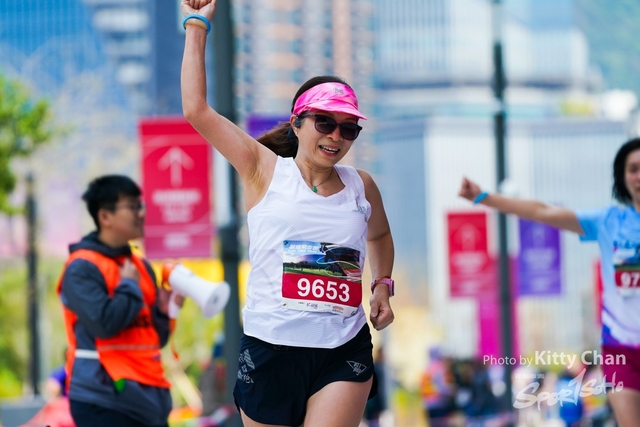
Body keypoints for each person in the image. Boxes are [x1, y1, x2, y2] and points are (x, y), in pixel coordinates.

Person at [180, 1, 395, 426]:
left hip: (342, 348)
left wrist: (382, 285)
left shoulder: (361, 185)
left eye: (348, 128)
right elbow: (196, 110)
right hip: (271, 348)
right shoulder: (263, 169)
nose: (336, 136)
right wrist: (197, 24)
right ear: (297, 123)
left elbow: (380, 236)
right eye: (324, 123)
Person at [458, 138, 640, 427]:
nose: (639, 176)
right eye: (633, 169)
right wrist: (483, 197)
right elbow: (542, 211)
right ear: (623, 176)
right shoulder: (609, 221)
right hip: (620, 349)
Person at [57, 175, 179, 427]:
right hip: (103, 400)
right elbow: (104, 324)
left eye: (141, 205)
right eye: (132, 207)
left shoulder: (141, 266)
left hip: (149, 399)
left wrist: (163, 312)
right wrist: (128, 287)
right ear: (105, 217)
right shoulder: (81, 267)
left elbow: (154, 338)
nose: (141, 213)